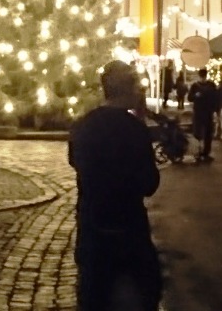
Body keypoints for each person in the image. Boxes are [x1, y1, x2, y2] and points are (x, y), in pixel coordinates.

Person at [69, 61, 161, 311]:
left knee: (94, 297)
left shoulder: (83, 126)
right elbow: (149, 183)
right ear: (129, 89)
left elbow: (76, 162)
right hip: (128, 230)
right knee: (142, 293)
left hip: (92, 226)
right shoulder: (134, 131)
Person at [187, 68, 219, 162]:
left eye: (203, 76)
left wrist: (215, 109)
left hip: (206, 112)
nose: (202, 78)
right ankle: (199, 151)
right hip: (200, 112)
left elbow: (215, 97)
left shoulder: (210, 85)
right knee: (198, 132)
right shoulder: (196, 86)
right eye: (201, 76)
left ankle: (205, 152)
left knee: (207, 133)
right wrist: (195, 96)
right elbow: (190, 98)